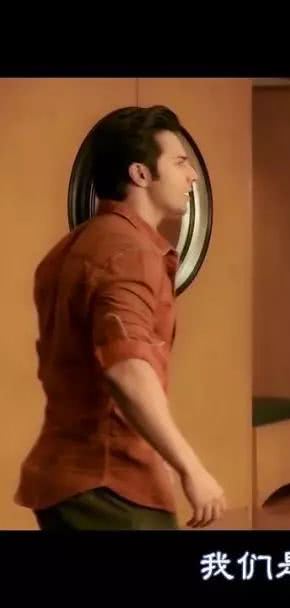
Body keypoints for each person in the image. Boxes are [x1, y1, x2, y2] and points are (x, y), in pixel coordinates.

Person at [15, 106, 226, 530]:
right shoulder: (129, 252)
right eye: (180, 162)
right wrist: (190, 466)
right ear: (141, 174)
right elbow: (127, 369)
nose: (193, 176)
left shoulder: (71, 248)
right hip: (108, 483)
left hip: (64, 479)